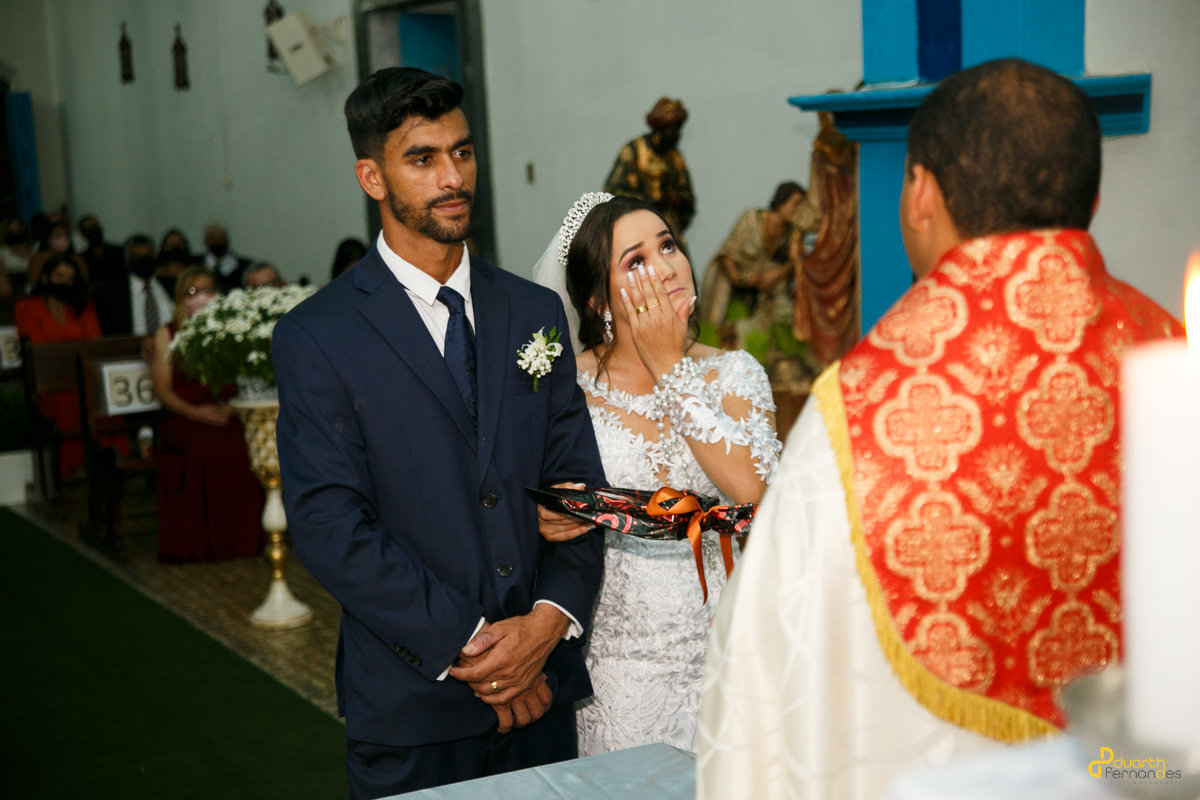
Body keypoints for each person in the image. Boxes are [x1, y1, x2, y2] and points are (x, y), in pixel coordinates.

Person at [696, 58, 1185, 800]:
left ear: (920, 191)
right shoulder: (1176, 359)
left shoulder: (859, 407)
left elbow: (761, 689)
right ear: (1092, 197)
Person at [273, 67, 606, 798]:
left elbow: (581, 492)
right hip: (414, 706)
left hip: (543, 693)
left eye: (462, 152)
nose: (453, 177)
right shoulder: (318, 336)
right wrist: (476, 648)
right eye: (422, 159)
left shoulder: (532, 313)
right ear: (372, 176)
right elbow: (331, 526)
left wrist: (544, 627)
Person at [532, 192, 782, 756]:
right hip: (621, 674)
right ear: (598, 299)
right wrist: (540, 517)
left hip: (731, 659)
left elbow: (756, 494)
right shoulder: (567, 389)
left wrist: (669, 366)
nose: (665, 267)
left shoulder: (735, 373)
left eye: (668, 246)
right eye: (636, 261)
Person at [152, 266, 262, 562]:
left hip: (225, 411)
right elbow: (163, 390)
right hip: (185, 415)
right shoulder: (167, 333)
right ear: (181, 299)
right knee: (203, 449)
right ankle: (203, 543)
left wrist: (233, 405)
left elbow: (245, 378)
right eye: (192, 292)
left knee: (244, 446)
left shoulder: (232, 328)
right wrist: (195, 413)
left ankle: (242, 540)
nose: (201, 297)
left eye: (207, 290)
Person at [699, 181, 821, 393]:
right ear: (781, 202)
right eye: (795, 203)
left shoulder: (790, 235)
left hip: (763, 290)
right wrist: (740, 278)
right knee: (717, 325)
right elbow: (727, 253)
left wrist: (776, 274)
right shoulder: (751, 220)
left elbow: (794, 265)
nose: (798, 210)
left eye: (802, 205)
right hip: (732, 282)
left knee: (779, 312)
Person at [15, 253, 102, 478]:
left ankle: (105, 461)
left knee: (97, 396)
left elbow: (94, 342)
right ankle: (72, 468)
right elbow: (36, 347)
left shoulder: (83, 306)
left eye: (70, 278)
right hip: (48, 379)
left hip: (81, 376)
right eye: (59, 276)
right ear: (45, 278)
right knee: (66, 400)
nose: (65, 282)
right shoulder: (27, 307)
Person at [603, 97, 696, 238]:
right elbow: (611, 193)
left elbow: (688, 198)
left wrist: (673, 197)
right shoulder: (633, 152)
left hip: (668, 229)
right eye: (674, 129)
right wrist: (646, 200)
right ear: (661, 128)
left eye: (679, 129)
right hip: (637, 230)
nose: (679, 135)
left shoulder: (676, 158)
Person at [92, 234, 176, 338]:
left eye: (148, 256)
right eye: (138, 257)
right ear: (127, 261)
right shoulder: (114, 294)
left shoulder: (171, 285)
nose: (144, 260)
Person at [201, 223, 253, 292]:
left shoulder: (246, 266)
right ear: (206, 241)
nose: (217, 243)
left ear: (227, 240)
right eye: (213, 239)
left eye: (221, 239)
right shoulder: (194, 264)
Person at [77, 214, 125, 287]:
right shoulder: (81, 259)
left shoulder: (119, 252)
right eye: (88, 229)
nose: (93, 231)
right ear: (83, 234)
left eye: (94, 227)